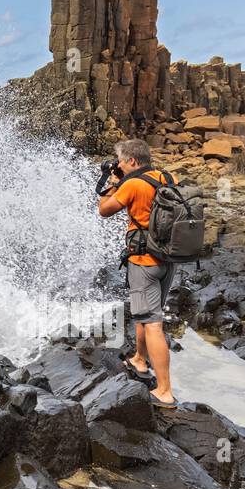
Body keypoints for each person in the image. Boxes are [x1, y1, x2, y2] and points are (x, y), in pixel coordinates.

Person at [97, 138, 177, 408]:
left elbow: (104, 210)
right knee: (145, 316)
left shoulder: (132, 184)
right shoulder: (166, 177)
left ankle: (165, 390)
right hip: (168, 259)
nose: (118, 164)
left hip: (144, 261)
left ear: (132, 161)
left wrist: (111, 183)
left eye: (120, 160)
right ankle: (139, 360)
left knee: (153, 324)